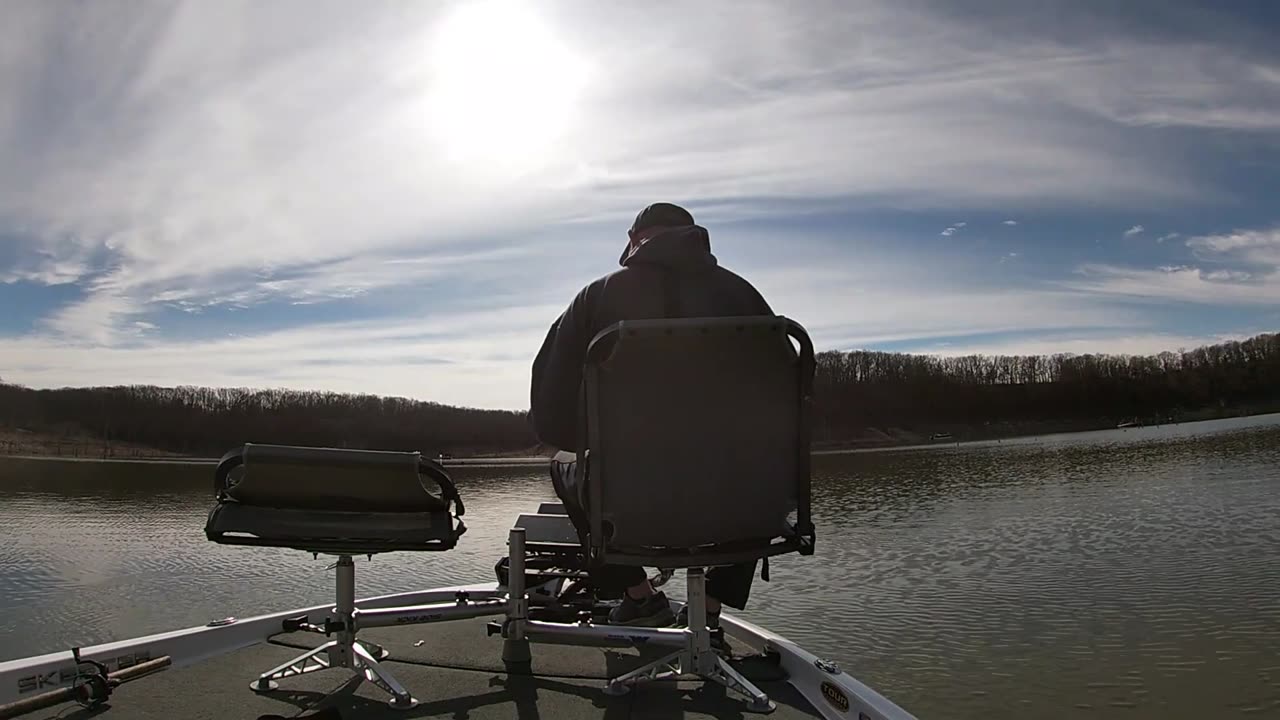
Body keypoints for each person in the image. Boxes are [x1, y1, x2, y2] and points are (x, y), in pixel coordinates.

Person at [529, 202, 774, 628]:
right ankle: (710, 608)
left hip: (629, 499)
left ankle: (639, 596)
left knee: (564, 467)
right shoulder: (745, 295)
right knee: (762, 467)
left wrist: (592, 444)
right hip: (739, 500)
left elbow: (550, 415)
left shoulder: (596, 296)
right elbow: (786, 403)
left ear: (633, 241)